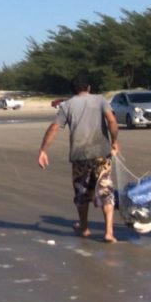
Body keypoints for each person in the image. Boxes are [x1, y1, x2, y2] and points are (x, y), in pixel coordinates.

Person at [38, 74, 121, 242]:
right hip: (101, 154)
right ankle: (109, 232)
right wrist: (115, 141)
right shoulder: (100, 100)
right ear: (89, 87)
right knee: (106, 191)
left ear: (73, 90)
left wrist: (43, 150)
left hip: (79, 155)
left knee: (81, 194)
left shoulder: (67, 105)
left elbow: (54, 127)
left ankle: (84, 229)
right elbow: (112, 121)